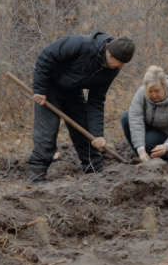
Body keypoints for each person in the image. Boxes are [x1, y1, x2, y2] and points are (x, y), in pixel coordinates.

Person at [28, 32, 136, 183]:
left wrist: (98, 134)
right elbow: (46, 56)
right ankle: (37, 177)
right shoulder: (79, 44)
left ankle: (93, 168)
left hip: (72, 91)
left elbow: (96, 100)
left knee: (85, 129)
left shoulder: (112, 69)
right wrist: (39, 89)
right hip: (49, 88)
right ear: (110, 54)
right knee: (47, 132)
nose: (122, 66)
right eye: (120, 62)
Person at [120, 66, 168, 163]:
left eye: (157, 91)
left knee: (149, 140)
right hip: (146, 127)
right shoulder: (141, 94)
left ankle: (165, 158)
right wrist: (141, 150)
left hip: (163, 134)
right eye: (150, 91)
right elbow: (136, 122)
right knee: (126, 117)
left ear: (165, 88)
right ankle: (141, 156)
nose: (153, 95)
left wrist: (166, 146)